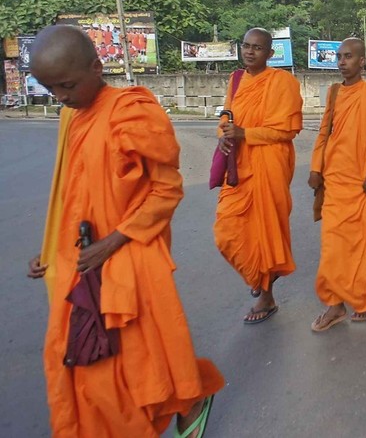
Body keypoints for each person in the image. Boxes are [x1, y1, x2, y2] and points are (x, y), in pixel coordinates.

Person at [26, 25, 223, 437]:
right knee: (87, 365)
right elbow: (70, 196)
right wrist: (52, 251)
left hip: (130, 255)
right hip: (82, 264)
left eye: (67, 85)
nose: (61, 97)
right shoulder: (71, 118)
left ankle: (186, 404)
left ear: (98, 67)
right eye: (50, 88)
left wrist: (113, 242)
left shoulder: (132, 112)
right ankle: (182, 404)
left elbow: (165, 190)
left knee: (137, 360)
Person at [213, 28, 303, 324]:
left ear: (270, 53)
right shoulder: (236, 79)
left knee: (265, 231)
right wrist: (223, 134)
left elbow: (286, 130)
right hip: (238, 162)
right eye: (246, 46)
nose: (250, 52)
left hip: (269, 162)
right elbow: (227, 114)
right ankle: (257, 275)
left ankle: (266, 294)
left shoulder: (283, 82)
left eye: (258, 48)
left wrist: (246, 133)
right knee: (227, 231)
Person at [309, 38, 366, 331]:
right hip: (335, 183)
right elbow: (323, 136)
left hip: (363, 184)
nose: (342, 61)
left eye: (348, 57)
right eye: (339, 57)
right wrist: (315, 168)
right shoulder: (334, 94)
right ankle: (335, 306)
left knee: (360, 247)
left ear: (362, 61)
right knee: (333, 248)